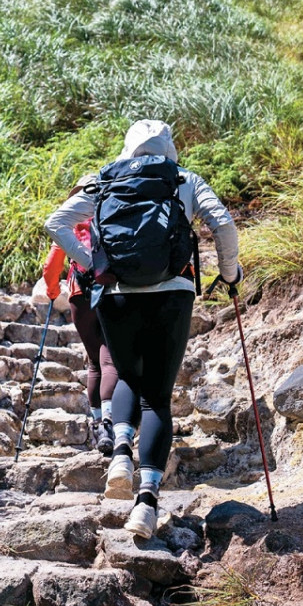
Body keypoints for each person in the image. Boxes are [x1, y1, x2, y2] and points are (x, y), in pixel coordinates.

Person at [44, 120, 241, 539]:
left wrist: (94, 263)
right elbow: (222, 224)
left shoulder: (105, 180)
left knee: (128, 375)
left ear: (127, 148)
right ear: (168, 147)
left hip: (115, 293)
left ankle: (119, 455)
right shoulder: (183, 178)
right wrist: (230, 272)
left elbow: (55, 223)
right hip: (172, 293)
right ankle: (147, 505)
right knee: (157, 398)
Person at [42, 174, 119, 456]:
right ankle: (111, 420)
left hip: (79, 291)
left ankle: (99, 423)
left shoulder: (72, 221)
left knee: (94, 362)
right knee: (109, 355)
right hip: (110, 287)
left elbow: (52, 266)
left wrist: (52, 291)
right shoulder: (115, 214)